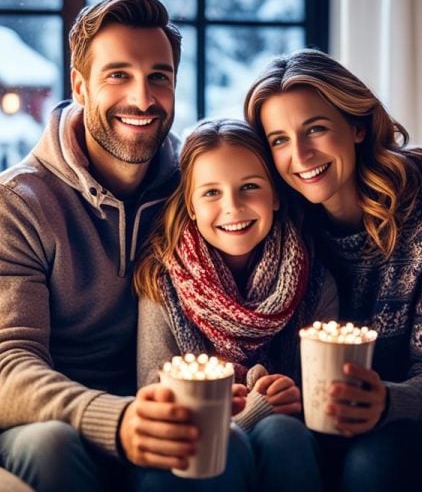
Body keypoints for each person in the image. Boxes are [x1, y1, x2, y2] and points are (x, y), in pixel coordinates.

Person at [0, 0, 256, 492]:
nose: (142, 99)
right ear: (80, 85)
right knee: (50, 446)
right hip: (56, 426)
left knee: (229, 446)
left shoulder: (198, 189)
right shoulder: (11, 205)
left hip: (172, 411)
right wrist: (119, 421)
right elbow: (6, 372)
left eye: (159, 77)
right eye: (118, 75)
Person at [243, 48, 422, 492]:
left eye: (317, 129)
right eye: (280, 140)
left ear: (357, 126)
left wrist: (384, 402)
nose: (301, 155)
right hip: (331, 423)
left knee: (374, 460)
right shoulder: (279, 224)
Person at [134, 118, 337, 491]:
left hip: (288, 443)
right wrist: (245, 411)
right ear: (190, 206)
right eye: (211, 193)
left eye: (249, 187)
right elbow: (155, 396)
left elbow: (324, 401)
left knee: (282, 433)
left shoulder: (315, 282)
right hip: (188, 454)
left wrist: (295, 399)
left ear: (275, 195)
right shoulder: (163, 282)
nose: (233, 206)